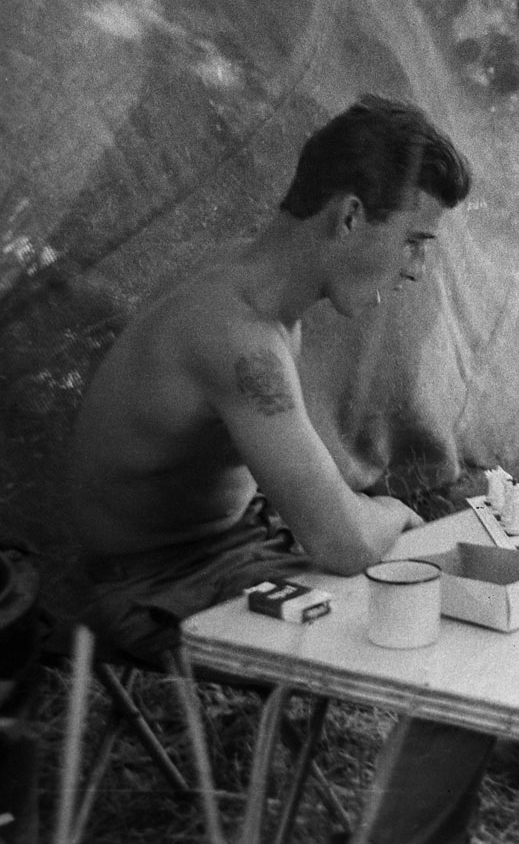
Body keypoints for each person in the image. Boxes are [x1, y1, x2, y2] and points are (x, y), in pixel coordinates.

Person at [69, 95, 493, 844]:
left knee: (452, 589)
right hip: (152, 587)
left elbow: (307, 492)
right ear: (352, 216)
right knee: (438, 617)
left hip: (218, 550)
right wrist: (399, 515)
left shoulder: (267, 311)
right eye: (416, 241)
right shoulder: (237, 334)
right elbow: (341, 542)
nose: (420, 271)